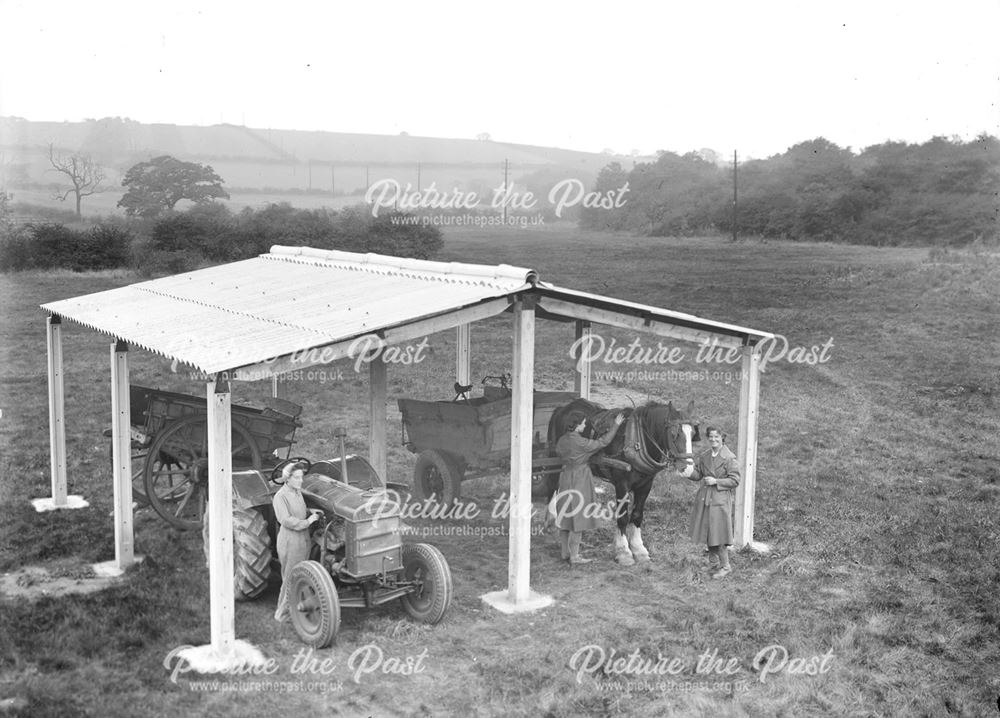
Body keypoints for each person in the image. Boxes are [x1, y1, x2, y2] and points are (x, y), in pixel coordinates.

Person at [551, 410, 625, 565]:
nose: (585, 426)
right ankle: (575, 556)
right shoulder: (581, 443)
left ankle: (565, 552)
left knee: (565, 514)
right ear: (577, 425)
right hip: (580, 478)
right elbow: (603, 442)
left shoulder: (562, 440)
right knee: (579, 516)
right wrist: (616, 425)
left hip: (565, 477)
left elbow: (558, 451)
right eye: (583, 423)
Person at [684, 426, 740, 579]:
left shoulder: (729, 458)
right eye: (711, 437)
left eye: (717, 437)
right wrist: (687, 471)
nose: (713, 440)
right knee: (709, 532)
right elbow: (698, 474)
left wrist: (716, 481)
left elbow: (735, 480)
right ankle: (713, 563)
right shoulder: (705, 456)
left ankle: (725, 566)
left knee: (720, 534)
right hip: (706, 499)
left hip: (720, 500)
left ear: (722, 438)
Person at [272, 461, 319, 621]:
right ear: (287, 479)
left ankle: (295, 610)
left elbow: (298, 511)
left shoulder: (297, 492)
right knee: (291, 577)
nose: (301, 481)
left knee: (301, 575)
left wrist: (310, 512)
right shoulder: (280, 496)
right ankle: (282, 614)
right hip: (290, 541)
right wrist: (308, 521)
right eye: (297, 478)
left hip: (303, 539)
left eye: (301, 477)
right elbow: (286, 520)